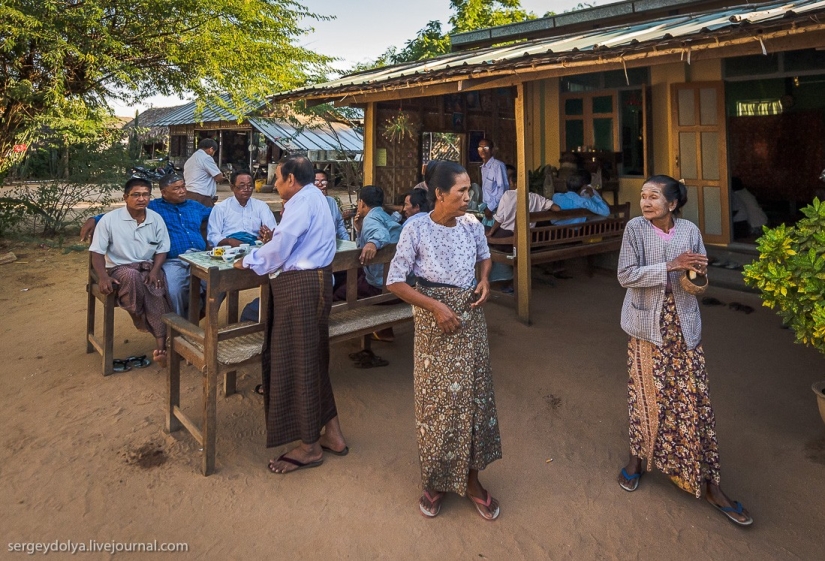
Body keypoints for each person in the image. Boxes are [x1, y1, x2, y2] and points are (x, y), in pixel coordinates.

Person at [616, 175, 753, 526]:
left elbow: (697, 286)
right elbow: (626, 276)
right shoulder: (634, 229)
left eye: (653, 197)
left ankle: (708, 480)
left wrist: (696, 275)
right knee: (645, 397)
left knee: (692, 400)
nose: (646, 202)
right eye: (643, 196)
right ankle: (637, 459)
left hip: (684, 328)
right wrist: (670, 265)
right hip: (647, 329)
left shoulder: (689, 230)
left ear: (673, 204)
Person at [386, 160, 502, 521]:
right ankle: (436, 481)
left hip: (471, 322)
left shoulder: (472, 225)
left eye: (470, 190)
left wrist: (484, 280)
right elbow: (395, 281)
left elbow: (485, 258)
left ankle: (471, 480)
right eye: (462, 191)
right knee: (438, 404)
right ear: (439, 194)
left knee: (474, 400)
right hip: (434, 325)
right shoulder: (415, 228)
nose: (469, 197)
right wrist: (436, 306)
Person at [234, 155, 347, 473]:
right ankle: (333, 435)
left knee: (298, 360)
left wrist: (250, 259)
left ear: (292, 180)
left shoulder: (301, 201)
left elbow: (281, 248)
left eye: (279, 179)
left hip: (302, 287)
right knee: (313, 357)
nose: (275, 184)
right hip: (316, 282)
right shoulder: (316, 198)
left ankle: (310, 447)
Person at [81, 173, 213, 318]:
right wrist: (94, 219)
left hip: (200, 257)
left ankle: (194, 316)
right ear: (164, 192)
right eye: (176, 189)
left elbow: (218, 213)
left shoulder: (195, 206)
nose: (182, 191)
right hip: (173, 259)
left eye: (183, 187)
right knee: (174, 290)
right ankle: (178, 328)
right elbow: (121, 213)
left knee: (217, 283)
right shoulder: (153, 207)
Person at [89, 178, 171, 366]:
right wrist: (102, 276)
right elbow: (97, 252)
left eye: (145, 195)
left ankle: (161, 347)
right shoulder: (110, 220)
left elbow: (162, 249)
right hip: (118, 268)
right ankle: (138, 316)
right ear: (126, 197)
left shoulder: (155, 219)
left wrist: (156, 270)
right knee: (132, 276)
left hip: (147, 267)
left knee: (156, 288)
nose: (141, 199)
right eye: (136, 195)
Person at [333, 185, 401, 302]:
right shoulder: (385, 216)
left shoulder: (370, 219)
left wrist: (372, 243)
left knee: (338, 293)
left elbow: (381, 234)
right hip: (394, 277)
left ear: (361, 203)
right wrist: (360, 230)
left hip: (380, 285)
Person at [487, 164, 560, 249]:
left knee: (484, 230)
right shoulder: (536, 197)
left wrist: (491, 232)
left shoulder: (507, 195)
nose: (510, 185)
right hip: (526, 241)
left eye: (510, 183)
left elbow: (499, 219)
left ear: (515, 183)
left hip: (507, 240)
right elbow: (557, 209)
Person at [207, 169, 276, 248]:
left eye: (250, 185)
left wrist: (267, 235)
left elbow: (272, 230)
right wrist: (230, 241)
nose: (246, 189)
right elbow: (213, 237)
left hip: (254, 247)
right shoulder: (220, 208)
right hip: (229, 249)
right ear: (232, 187)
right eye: (242, 186)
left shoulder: (261, 206)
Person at [183, 138, 225, 207]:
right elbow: (218, 178)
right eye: (214, 151)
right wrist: (224, 178)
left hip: (189, 193)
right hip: (201, 196)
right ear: (211, 149)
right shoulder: (206, 158)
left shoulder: (190, 159)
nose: (213, 154)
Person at [477, 138, 509, 222]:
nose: (483, 150)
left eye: (486, 148)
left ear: (492, 150)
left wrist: (490, 208)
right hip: (487, 209)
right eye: (480, 148)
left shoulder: (498, 166)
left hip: (496, 210)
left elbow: (503, 189)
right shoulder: (483, 168)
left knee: (492, 233)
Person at [314, 169, 349, 241]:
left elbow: (340, 225)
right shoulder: (306, 204)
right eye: (316, 181)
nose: (320, 184)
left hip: (331, 244)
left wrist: (347, 241)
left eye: (323, 181)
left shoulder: (331, 202)